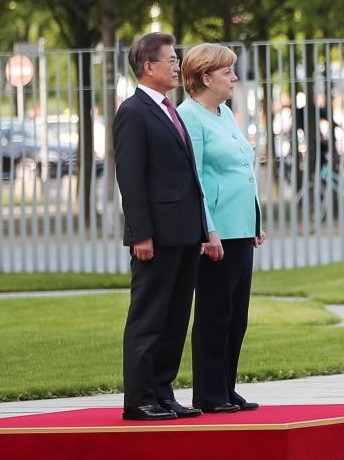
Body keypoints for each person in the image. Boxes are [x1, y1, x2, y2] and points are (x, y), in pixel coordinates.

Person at [113, 32, 209, 422]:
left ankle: (163, 392)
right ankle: (139, 398)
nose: (176, 65)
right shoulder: (133, 112)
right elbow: (131, 180)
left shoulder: (170, 108)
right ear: (148, 66)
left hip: (184, 232)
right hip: (156, 235)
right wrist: (141, 234)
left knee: (174, 318)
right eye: (170, 59)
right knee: (149, 317)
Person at [179, 43, 265, 415]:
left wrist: (256, 221)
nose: (233, 77)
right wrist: (207, 231)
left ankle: (227, 389)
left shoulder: (224, 113)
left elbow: (243, 169)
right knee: (215, 313)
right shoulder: (190, 117)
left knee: (236, 314)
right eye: (227, 72)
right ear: (204, 76)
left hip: (241, 227)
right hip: (217, 233)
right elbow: (194, 177)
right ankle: (209, 394)